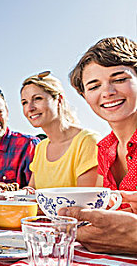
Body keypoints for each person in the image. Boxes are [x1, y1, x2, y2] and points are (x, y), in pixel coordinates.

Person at [70, 36, 137, 191]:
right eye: (94, 87)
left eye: (119, 79)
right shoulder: (105, 148)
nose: (108, 92)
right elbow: (104, 207)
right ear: (85, 96)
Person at [20, 71, 100, 189]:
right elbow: (32, 192)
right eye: (24, 102)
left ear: (58, 100)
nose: (30, 108)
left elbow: (85, 200)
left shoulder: (87, 141)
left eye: (37, 98)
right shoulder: (41, 147)